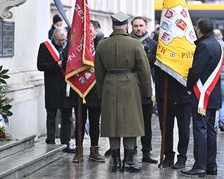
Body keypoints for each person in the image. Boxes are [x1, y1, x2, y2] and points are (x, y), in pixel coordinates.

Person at [94, 12, 152, 172]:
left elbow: (98, 73)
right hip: (130, 84)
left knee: (112, 122)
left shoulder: (102, 44)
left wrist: (100, 92)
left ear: (112, 26)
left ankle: (115, 161)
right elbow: (144, 70)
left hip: (109, 84)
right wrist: (147, 92)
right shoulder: (135, 44)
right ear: (126, 26)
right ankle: (129, 161)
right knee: (130, 122)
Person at [182, 18, 223, 177]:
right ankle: (211, 165)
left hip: (202, 96)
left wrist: (188, 87)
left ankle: (200, 166)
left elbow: (196, 70)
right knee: (211, 130)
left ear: (199, 30)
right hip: (213, 94)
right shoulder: (217, 43)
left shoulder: (204, 45)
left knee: (200, 130)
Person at [68, 20, 105, 163]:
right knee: (79, 121)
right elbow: (66, 62)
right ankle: (79, 150)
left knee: (95, 122)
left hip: (95, 90)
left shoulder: (101, 45)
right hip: (79, 90)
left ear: (96, 31)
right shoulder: (74, 46)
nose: (87, 32)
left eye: (90, 30)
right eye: (85, 30)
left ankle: (94, 150)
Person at [37, 27, 75, 153]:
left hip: (67, 87)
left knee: (67, 117)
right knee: (51, 115)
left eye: (64, 39)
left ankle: (66, 142)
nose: (62, 42)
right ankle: (51, 141)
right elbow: (40, 65)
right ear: (54, 37)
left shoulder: (69, 46)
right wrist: (56, 65)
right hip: (52, 86)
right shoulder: (44, 46)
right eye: (59, 40)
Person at [130, 16, 158, 164]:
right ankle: (132, 151)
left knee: (147, 124)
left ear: (146, 27)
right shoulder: (128, 43)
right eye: (135, 26)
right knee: (132, 123)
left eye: (141, 25)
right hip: (131, 89)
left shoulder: (153, 44)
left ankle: (146, 152)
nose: (138, 28)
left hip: (148, 89)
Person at [155, 69, 191, 169]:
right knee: (166, 128)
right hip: (165, 94)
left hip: (183, 94)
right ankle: (168, 156)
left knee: (184, 129)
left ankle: (182, 157)